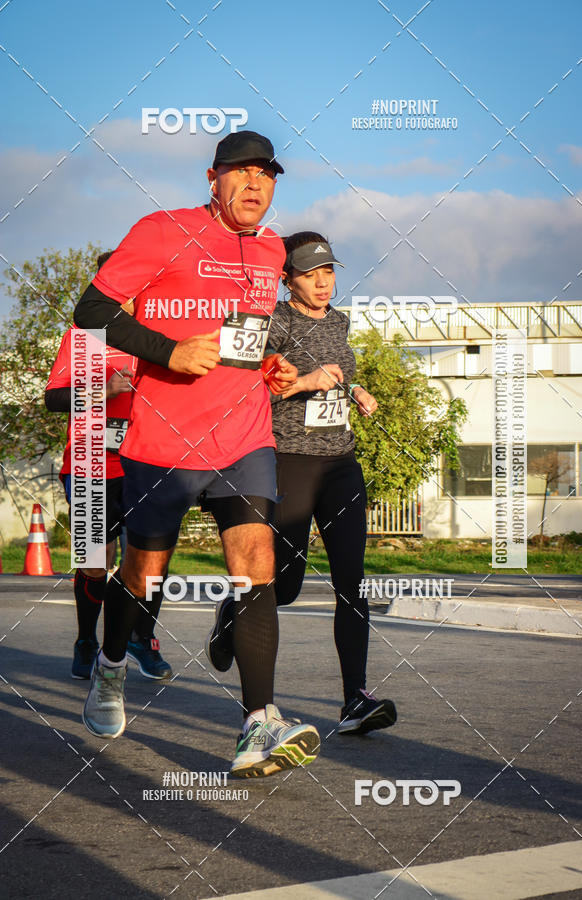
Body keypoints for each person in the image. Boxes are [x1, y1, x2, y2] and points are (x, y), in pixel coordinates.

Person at [73, 131, 320, 779]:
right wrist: (169, 352)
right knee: (141, 573)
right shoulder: (162, 230)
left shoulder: (271, 250)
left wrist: (271, 365)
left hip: (243, 436)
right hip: (163, 439)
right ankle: (111, 666)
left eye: (267, 175)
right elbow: (91, 310)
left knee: (255, 561)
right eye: (241, 173)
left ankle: (258, 724)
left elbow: (245, 331)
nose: (255, 185)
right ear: (213, 179)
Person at [267, 232, 396, 735]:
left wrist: (355, 388)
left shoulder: (339, 321)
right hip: (292, 463)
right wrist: (303, 382)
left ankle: (354, 702)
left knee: (352, 583)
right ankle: (235, 609)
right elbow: (249, 394)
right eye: (310, 273)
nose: (323, 282)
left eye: (329, 271)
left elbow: (338, 372)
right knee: (285, 586)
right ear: (287, 278)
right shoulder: (276, 323)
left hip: (340, 463)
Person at [45, 252, 172, 681]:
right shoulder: (81, 338)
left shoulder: (156, 337)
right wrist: (98, 388)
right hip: (89, 462)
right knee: (96, 560)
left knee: (152, 558)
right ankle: (86, 639)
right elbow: (53, 399)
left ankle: (142, 637)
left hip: (145, 462)